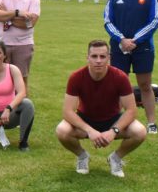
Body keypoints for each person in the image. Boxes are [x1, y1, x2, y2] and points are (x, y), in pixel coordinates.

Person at [55, 40, 147, 177]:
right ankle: (82, 156)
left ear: (109, 58)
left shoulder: (120, 77)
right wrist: (90, 130)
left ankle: (115, 158)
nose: (98, 61)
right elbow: (67, 111)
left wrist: (114, 131)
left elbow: (131, 110)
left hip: (113, 120)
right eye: (94, 56)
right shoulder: (76, 77)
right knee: (62, 130)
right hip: (85, 120)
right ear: (87, 57)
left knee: (139, 131)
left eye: (103, 57)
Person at [103, 0, 158, 133]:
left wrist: (135, 40)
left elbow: (155, 21)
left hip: (143, 48)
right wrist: (121, 39)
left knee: (145, 85)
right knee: (118, 85)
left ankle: (151, 123)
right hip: (119, 47)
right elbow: (107, 21)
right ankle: (118, 120)